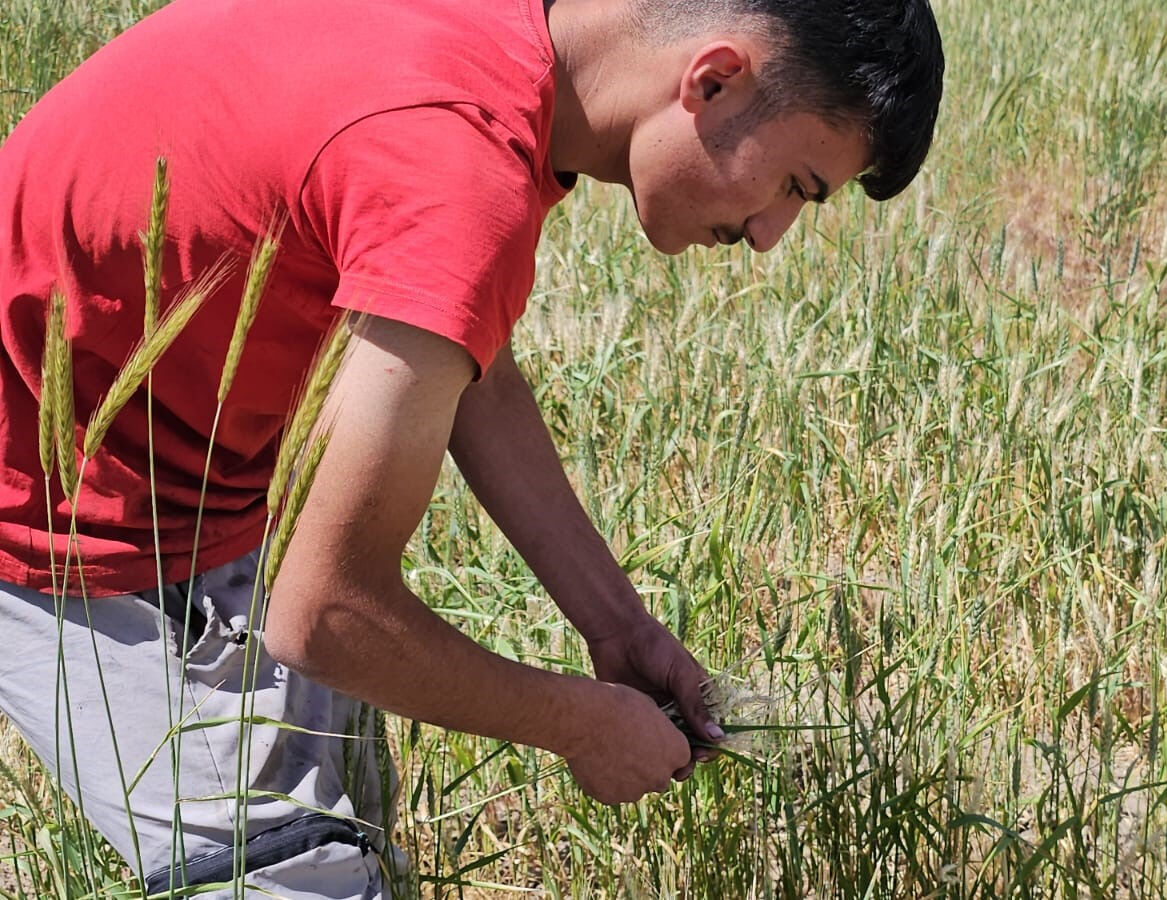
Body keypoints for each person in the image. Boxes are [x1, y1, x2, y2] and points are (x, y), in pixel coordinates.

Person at [0, 0, 942, 895]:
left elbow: (469, 368)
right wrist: (580, 725)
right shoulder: (457, 164)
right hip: (55, 509)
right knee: (306, 879)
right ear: (714, 79)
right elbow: (325, 615)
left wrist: (620, 629)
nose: (770, 236)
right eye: (795, 187)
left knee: (354, 839)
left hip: (182, 461)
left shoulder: (503, 44)